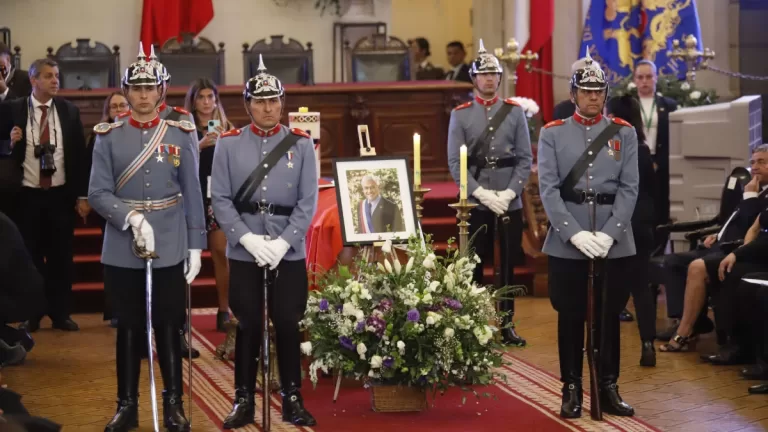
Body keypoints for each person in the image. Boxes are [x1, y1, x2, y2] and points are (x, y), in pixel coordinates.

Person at [88, 43, 206, 432]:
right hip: (123, 243)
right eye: (135, 89)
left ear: (160, 91)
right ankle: (127, 406)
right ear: (125, 91)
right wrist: (131, 216)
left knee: (169, 325)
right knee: (128, 326)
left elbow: (191, 190)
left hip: (170, 240)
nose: (141, 96)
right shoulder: (108, 136)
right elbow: (98, 194)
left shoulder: (181, 131)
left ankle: (172, 404)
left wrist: (195, 245)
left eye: (149, 89)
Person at [211, 55, 317, 428]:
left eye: (273, 101)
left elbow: (308, 202)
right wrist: (248, 240)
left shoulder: (302, 144)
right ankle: (243, 400)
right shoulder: (227, 144)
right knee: (249, 325)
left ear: (282, 103)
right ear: (248, 105)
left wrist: (283, 243)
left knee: (288, 322)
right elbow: (220, 199)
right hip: (245, 250)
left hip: (287, 252)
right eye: (260, 101)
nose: (267, 108)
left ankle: (292, 397)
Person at [537, 53, 639, 418]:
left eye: (599, 91)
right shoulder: (552, 133)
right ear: (574, 93)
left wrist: (610, 234)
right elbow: (548, 190)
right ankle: (571, 387)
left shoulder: (623, 132)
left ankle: (608, 385)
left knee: (610, 314)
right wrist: (574, 234)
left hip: (614, 240)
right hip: (570, 241)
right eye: (586, 91)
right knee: (570, 315)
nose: (593, 97)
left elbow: (630, 188)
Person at [447, 39, 533, 346]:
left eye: (493, 74)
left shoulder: (513, 112)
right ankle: (475, 325)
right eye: (482, 74)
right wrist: (480, 193)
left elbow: (525, 158)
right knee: (475, 265)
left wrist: (510, 193)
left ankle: (507, 325)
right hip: (477, 200)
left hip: (508, 199)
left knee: (508, 265)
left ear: (499, 78)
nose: (488, 79)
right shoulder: (461, 114)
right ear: (474, 79)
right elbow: (456, 162)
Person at [0, 58, 90, 333]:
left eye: (57, 76)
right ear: (33, 80)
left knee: (62, 257)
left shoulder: (68, 111)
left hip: (60, 195)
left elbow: (79, 155)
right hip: (26, 196)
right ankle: (33, 314)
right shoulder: (12, 109)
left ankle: (61, 313)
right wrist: (9, 142)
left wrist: (82, 196)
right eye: (49, 76)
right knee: (31, 257)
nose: (55, 81)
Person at [147, 46, 201, 359]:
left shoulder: (181, 120)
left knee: (175, 281)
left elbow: (190, 174)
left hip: (172, 213)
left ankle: (178, 332)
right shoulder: (126, 124)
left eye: (155, 84)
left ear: (164, 87)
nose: (149, 91)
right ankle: (142, 334)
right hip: (137, 211)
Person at [605, 95, 658, 366]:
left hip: (618, 224)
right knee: (642, 288)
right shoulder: (642, 148)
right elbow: (652, 190)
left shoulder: (614, 144)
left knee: (611, 286)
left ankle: (604, 345)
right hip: (642, 225)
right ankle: (648, 344)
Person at [184, 77, 234, 332]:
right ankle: (179, 314)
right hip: (190, 196)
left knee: (219, 252)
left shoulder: (226, 127)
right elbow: (175, 161)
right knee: (185, 256)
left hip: (216, 197)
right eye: (201, 97)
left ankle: (224, 309)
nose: (206, 102)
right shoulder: (183, 127)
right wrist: (199, 145)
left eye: (210, 97)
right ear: (193, 101)